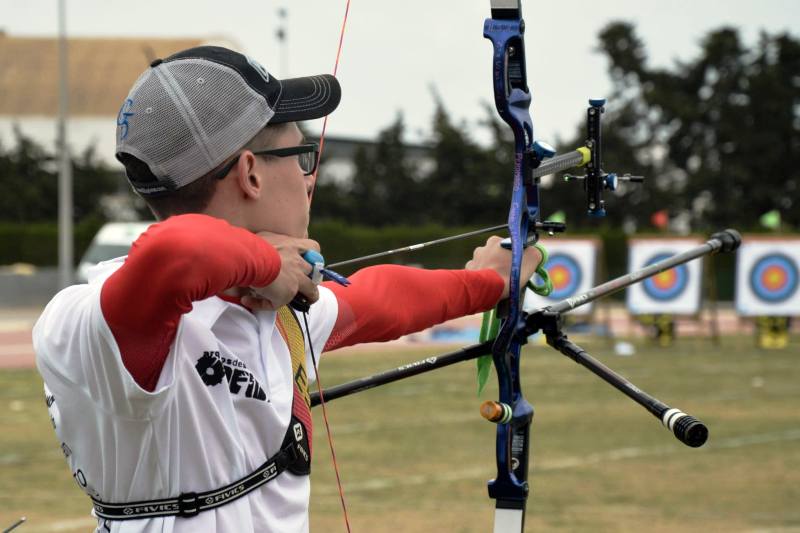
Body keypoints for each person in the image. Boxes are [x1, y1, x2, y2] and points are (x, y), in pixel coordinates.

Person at [33, 46, 540, 533]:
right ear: (250, 173)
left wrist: (489, 281)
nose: (309, 176)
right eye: (300, 156)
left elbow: (377, 300)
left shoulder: (273, 308)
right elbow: (176, 252)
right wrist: (266, 264)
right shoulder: (89, 320)